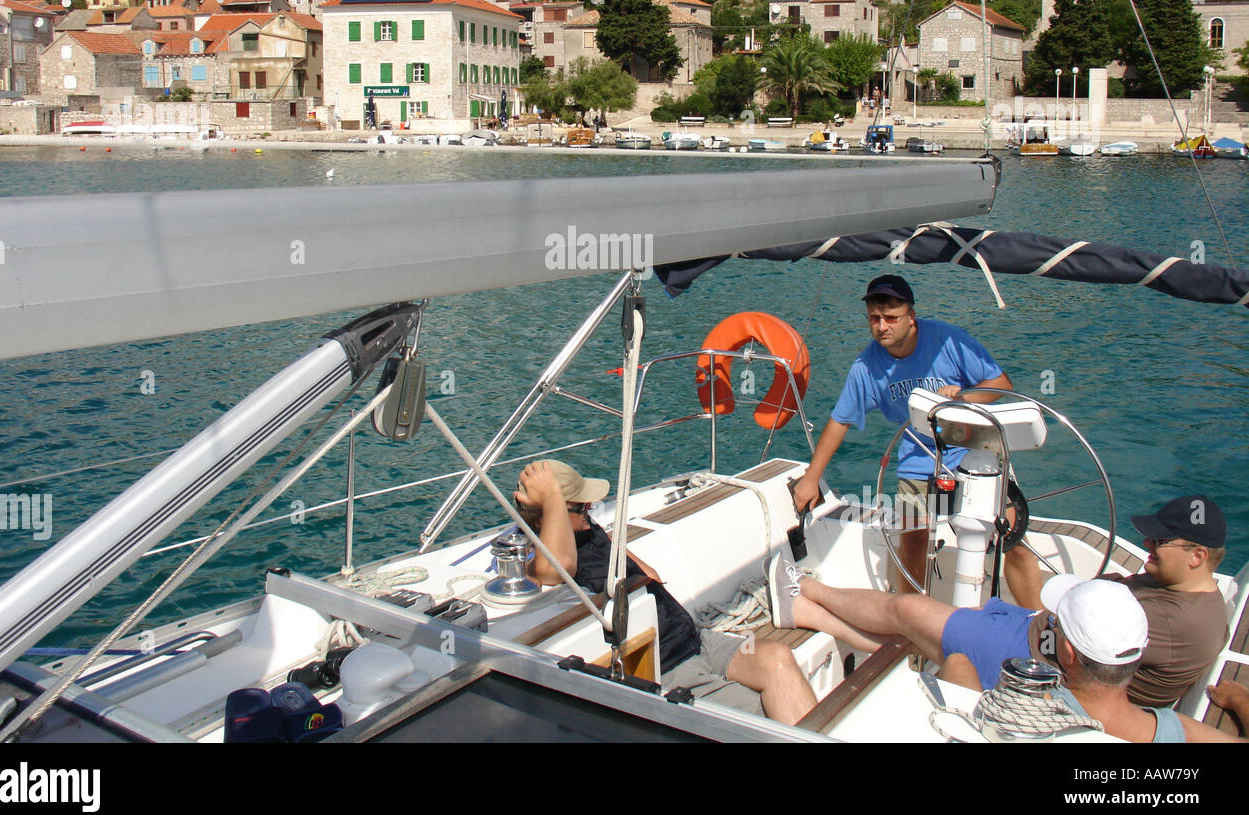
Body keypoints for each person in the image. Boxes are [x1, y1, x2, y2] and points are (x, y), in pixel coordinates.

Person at [767, 560, 1243, 743]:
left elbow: (954, 702)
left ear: (1068, 656)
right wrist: (1240, 701)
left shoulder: (1017, 712)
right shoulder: (1170, 731)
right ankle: (806, 611)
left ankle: (806, 589)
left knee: (925, 631)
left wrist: (956, 667)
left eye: (1053, 624)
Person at [514, 459, 817, 726]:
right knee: (763, 715)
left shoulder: (588, 530)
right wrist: (553, 501)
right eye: (580, 506)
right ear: (547, 514)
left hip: (692, 638)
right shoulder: (545, 557)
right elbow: (554, 568)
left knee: (779, 657)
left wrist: (578, 518)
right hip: (672, 667)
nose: (590, 509)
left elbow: (651, 576)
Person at [790, 274, 1013, 585]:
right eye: (874, 318)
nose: (882, 326)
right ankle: (908, 624)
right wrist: (811, 478)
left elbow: (1001, 385)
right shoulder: (865, 368)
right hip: (919, 459)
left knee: (1012, 539)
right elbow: (840, 421)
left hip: (976, 450)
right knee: (911, 543)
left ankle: (1040, 617)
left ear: (911, 316)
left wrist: (960, 397)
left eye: (891, 318)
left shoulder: (948, 341)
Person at [1005, 493, 1229, 708]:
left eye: (1160, 540)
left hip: (1041, 666)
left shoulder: (1171, 619)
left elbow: (1070, 643)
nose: (1147, 542)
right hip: (1044, 636)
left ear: (1197, 556)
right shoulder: (1182, 588)